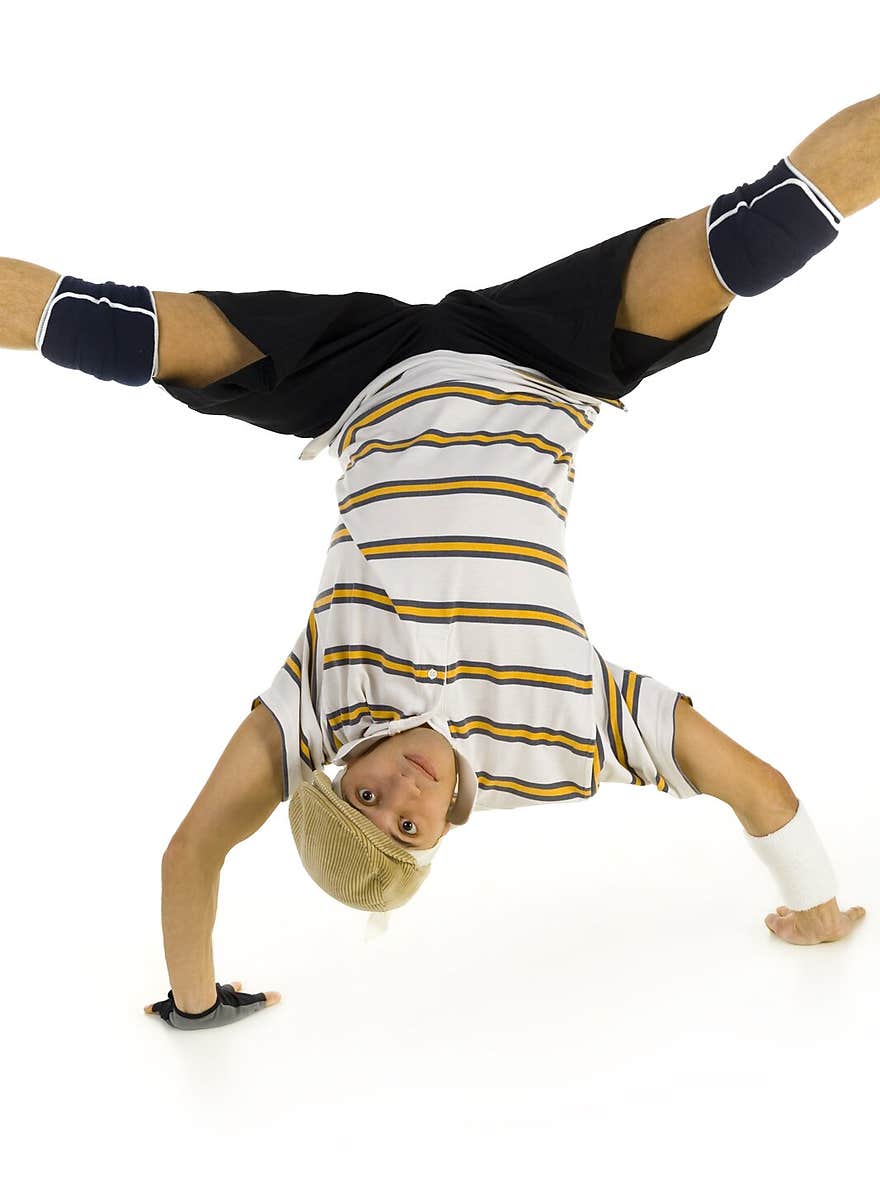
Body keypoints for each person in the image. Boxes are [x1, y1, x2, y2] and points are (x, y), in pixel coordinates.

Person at [3, 92, 877, 1031]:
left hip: (356, 377)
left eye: (365, 796)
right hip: (550, 361)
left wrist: (195, 1003)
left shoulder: (314, 713)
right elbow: (755, 788)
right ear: (435, 842)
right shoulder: (566, 741)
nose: (400, 788)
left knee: (109, 328)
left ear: (335, 776)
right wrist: (817, 903)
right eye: (406, 823)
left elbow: (192, 851)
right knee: (760, 231)